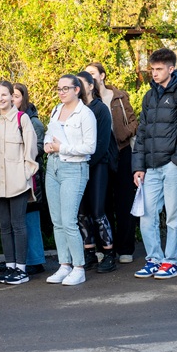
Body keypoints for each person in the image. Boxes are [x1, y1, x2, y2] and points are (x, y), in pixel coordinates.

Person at [132, 48, 177, 279]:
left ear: (171, 69)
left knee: (174, 216)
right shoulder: (149, 96)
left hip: (173, 165)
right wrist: (139, 166)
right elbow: (143, 133)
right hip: (151, 167)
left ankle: (170, 261)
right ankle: (153, 259)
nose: (155, 74)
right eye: (152, 69)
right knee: (147, 215)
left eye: (159, 69)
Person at [0, 80, 39, 285]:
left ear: (11, 96)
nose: (0, 98)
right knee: (4, 226)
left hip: (17, 182)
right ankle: (10, 266)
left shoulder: (22, 120)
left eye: (4, 95)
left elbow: (31, 150)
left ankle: (21, 269)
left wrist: (25, 174)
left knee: (18, 225)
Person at [44, 74, 97, 286]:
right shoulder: (56, 110)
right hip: (53, 166)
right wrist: (48, 145)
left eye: (66, 88)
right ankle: (64, 265)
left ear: (77, 90)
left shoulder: (85, 114)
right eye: (58, 89)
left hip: (74, 169)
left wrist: (62, 148)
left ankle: (78, 267)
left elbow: (90, 147)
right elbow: (50, 134)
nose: (61, 92)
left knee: (69, 221)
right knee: (57, 222)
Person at [85, 63, 139, 265]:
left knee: (125, 201)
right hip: (101, 155)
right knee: (102, 202)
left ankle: (126, 248)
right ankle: (106, 247)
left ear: (102, 75)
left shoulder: (118, 96)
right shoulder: (87, 100)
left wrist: (122, 136)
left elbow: (133, 122)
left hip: (123, 151)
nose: (89, 77)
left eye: (92, 73)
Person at [75, 70, 117, 272]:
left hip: (98, 165)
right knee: (82, 212)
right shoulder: (75, 109)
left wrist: (85, 162)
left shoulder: (100, 109)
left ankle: (109, 254)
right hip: (78, 167)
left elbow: (101, 144)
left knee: (99, 212)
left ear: (91, 86)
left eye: (82, 83)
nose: (79, 87)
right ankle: (89, 252)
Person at [13, 83, 48, 276]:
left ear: (24, 98)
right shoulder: (4, 119)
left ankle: (36, 259)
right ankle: (19, 260)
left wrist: (21, 154)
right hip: (11, 177)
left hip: (30, 177)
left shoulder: (33, 122)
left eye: (16, 96)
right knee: (16, 219)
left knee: (30, 218)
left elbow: (40, 148)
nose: (12, 99)